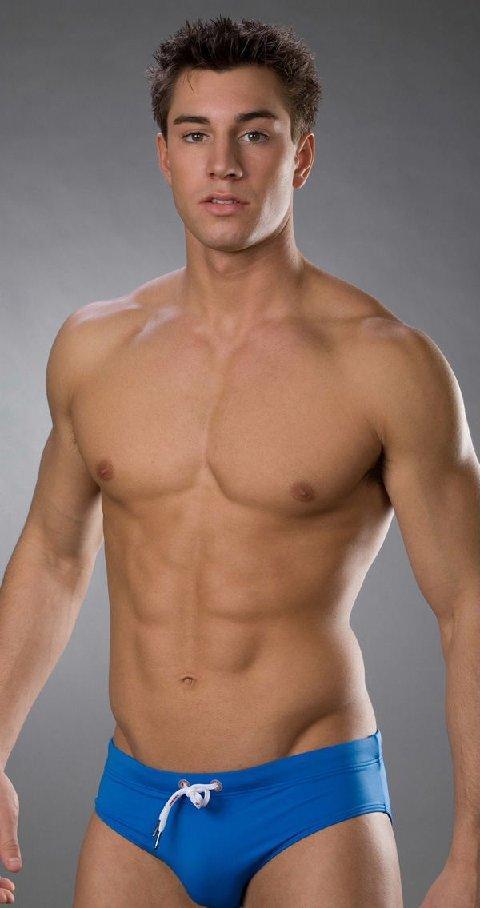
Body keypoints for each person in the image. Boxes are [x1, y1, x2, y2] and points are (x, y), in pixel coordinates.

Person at [1, 14, 479, 908]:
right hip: (136, 806)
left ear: (301, 156)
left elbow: (470, 606)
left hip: (311, 803)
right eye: (196, 135)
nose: (222, 164)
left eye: (254, 134)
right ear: (165, 156)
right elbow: (54, 557)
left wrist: (476, 852)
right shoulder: (96, 348)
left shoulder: (385, 364)